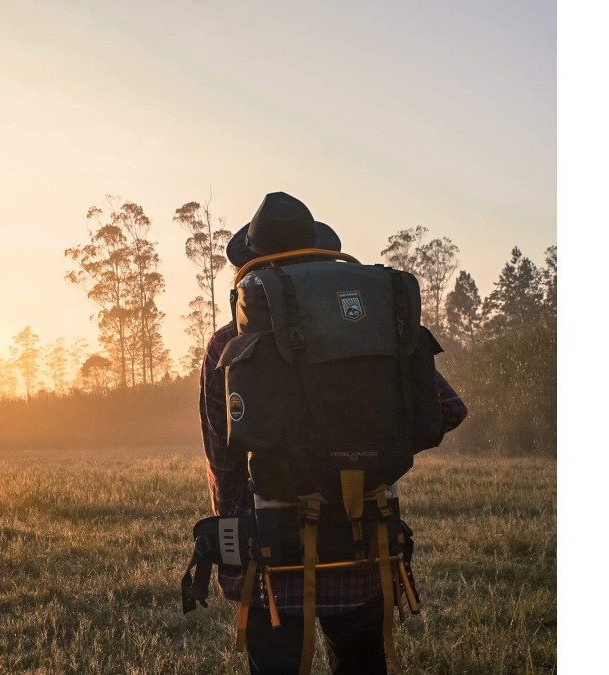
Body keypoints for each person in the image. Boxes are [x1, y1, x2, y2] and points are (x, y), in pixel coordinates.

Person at [199, 192, 467, 674]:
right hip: (366, 541)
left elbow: (223, 461)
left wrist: (233, 549)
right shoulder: (378, 330)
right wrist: (367, 449)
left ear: (255, 265)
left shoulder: (227, 344)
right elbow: (446, 411)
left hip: (271, 555)